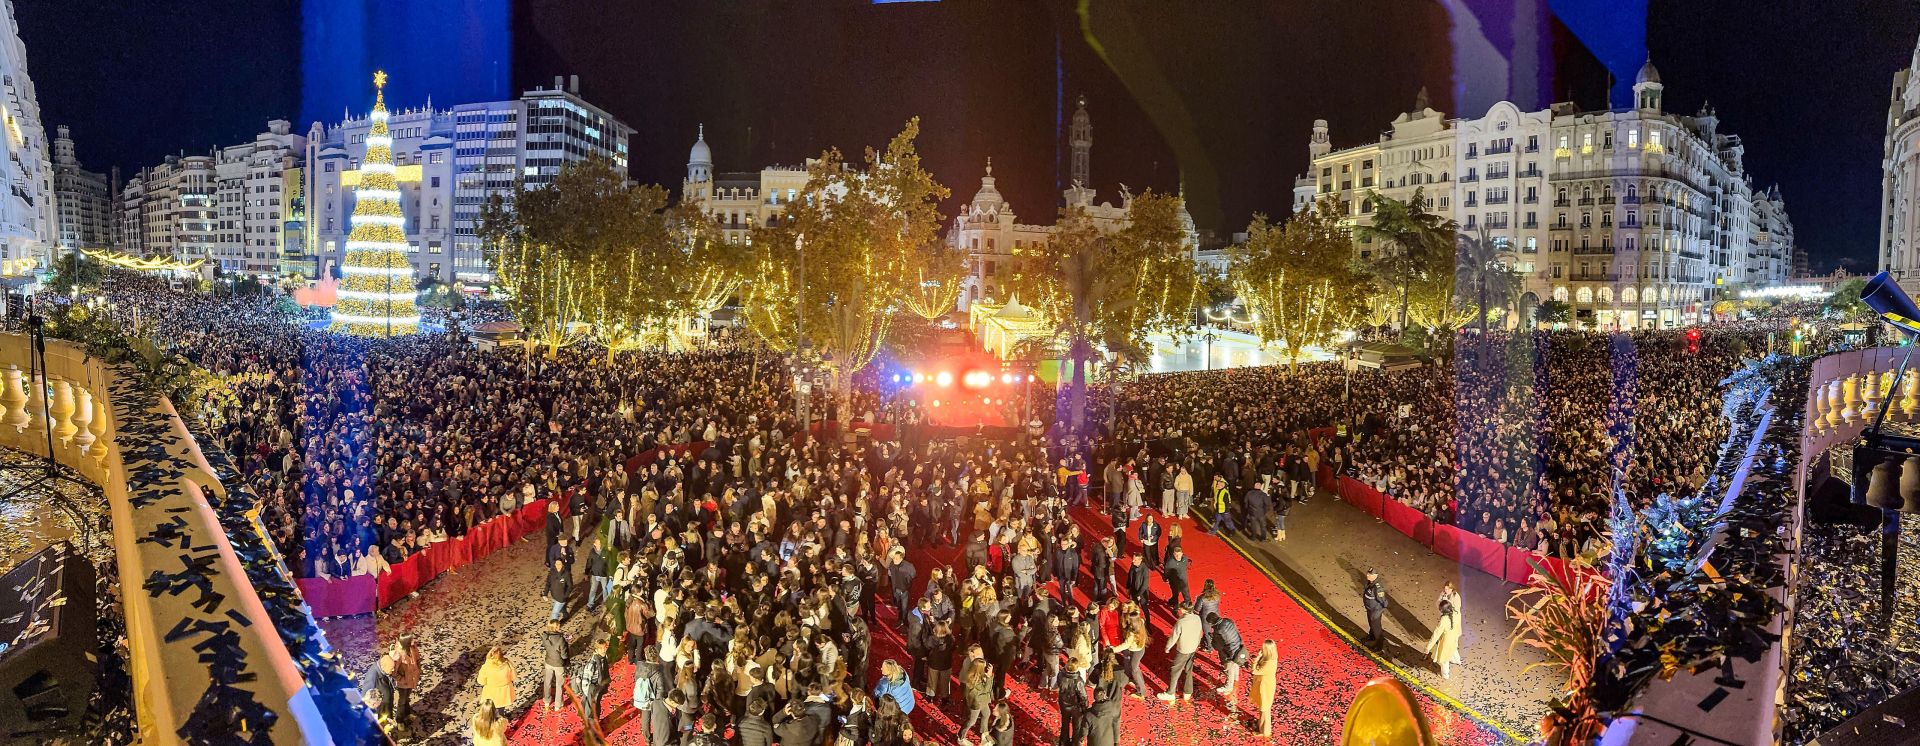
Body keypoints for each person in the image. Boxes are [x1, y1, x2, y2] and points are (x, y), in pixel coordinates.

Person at [1158, 603, 1203, 705]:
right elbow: (1200, 632)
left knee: (1175, 670)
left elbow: (1174, 636)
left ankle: (1170, 692)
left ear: (1184, 610)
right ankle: (1187, 692)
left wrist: (1168, 647)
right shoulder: (1197, 618)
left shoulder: (1181, 622)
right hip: (1193, 648)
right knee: (1188, 669)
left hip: (1183, 649)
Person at [1086, 656, 1125, 746]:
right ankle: (1115, 742)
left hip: (1100, 701)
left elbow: (1091, 681)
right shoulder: (1120, 672)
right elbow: (1124, 682)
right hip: (1115, 702)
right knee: (1115, 721)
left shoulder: (1098, 669)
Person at [572, 638, 611, 727]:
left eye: (605, 647)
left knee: (596, 708)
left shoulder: (603, 658)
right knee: (591, 711)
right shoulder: (592, 664)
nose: (604, 650)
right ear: (596, 649)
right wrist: (589, 694)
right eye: (601, 648)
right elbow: (586, 681)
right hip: (591, 688)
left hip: (598, 687)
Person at [1209, 612, 1247, 700]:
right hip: (1237, 646)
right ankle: (1236, 678)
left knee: (1229, 668)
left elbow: (1218, 646)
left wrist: (1212, 639)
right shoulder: (1227, 621)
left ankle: (1228, 687)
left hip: (1228, 653)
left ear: (1211, 623)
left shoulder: (1218, 631)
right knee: (1236, 664)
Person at [958, 659, 994, 745]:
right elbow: (985, 690)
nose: (986, 668)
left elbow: (986, 691)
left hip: (983, 700)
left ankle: (984, 734)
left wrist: (987, 678)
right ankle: (960, 737)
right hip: (976, 704)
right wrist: (989, 678)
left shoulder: (981, 676)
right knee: (971, 721)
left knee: (987, 714)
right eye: (984, 667)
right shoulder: (972, 680)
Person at [1427, 595, 1463, 679]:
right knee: (1454, 649)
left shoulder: (1444, 620)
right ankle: (1457, 661)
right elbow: (1458, 624)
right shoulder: (1457, 613)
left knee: (1444, 659)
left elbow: (1436, 635)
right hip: (1454, 637)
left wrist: (1428, 648)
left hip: (1446, 641)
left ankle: (1445, 675)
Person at [391, 636, 421, 732]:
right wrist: (402, 679)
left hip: (412, 680)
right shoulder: (399, 655)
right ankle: (399, 720)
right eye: (411, 640)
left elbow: (417, 658)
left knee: (407, 698)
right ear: (406, 643)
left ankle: (407, 713)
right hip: (403, 683)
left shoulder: (412, 648)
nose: (414, 640)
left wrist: (419, 669)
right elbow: (393, 672)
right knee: (402, 701)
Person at [1250, 639, 1279, 738]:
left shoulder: (1268, 663)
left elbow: (1254, 671)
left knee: (1265, 709)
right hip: (1265, 684)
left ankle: (1265, 732)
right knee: (1263, 708)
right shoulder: (1272, 657)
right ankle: (1260, 725)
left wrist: (1257, 658)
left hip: (1265, 687)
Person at [476, 645, 516, 712]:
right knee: (501, 710)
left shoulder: (486, 667)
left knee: (490, 710)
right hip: (504, 692)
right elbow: (513, 677)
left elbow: (481, 681)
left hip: (491, 693)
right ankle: (501, 720)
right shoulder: (508, 664)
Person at [541, 621, 569, 711]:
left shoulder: (544, 636)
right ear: (556, 627)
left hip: (548, 662)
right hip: (558, 664)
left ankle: (546, 701)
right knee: (559, 684)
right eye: (558, 626)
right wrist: (566, 643)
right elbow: (564, 655)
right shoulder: (561, 639)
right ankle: (557, 705)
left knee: (547, 682)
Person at [1362, 569, 1389, 650]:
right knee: (1371, 624)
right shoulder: (1370, 583)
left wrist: (1379, 609)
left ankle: (1379, 646)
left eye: (1369, 574)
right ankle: (1371, 637)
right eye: (1367, 573)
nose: (1367, 575)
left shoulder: (1378, 587)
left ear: (1375, 576)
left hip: (1375, 610)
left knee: (1376, 627)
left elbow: (1383, 601)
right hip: (1370, 608)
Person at [584, 536, 612, 611]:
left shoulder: (605, 552)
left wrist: (610, 573)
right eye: (597, 543)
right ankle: (590, 604)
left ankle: (606, 603)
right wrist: (586, 573)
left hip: (604, 575)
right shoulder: (592, 552)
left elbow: (609, 563)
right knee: (593, 590)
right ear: (594, 544)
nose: (599, 545)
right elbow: (589, 563)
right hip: (594, 574)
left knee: (605, 589)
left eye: (600, 543)